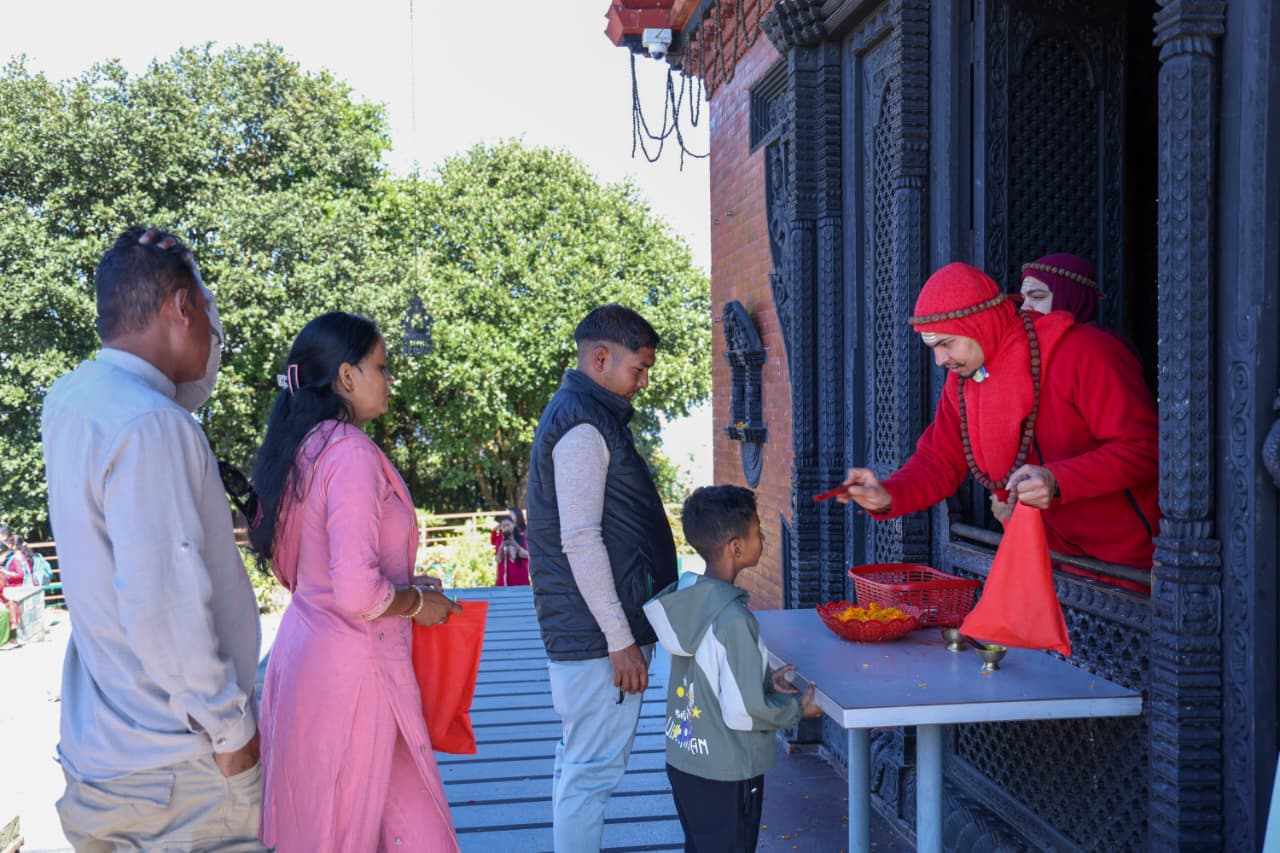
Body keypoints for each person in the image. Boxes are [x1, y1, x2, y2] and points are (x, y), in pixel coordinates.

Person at [41, 226, 265, 849]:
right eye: (209, 315)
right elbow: (164, 606)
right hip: (179, 777)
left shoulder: (72, 400)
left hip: (104, 761)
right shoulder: (152, 424)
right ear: (180, 307)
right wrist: (233, 731)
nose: (215, 338)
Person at [248, 311, 462, 852]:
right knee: (348, 833)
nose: (390, 380)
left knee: (352, 827)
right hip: (353, 671)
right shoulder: (348, 452)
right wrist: (417, 603)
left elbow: (310, 572)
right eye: (381, 367)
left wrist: (407, 583)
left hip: (308, 658)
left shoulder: (305, 449)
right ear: (347, 376)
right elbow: (357, 592)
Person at [838, 262, 1160, 589]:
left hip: (1129, 565)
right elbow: (939, 460)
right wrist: (889, 494)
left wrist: (1058, 480)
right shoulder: (963, 380)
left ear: (979, 325)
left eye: (946, 343)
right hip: (1047, 561)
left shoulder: (1083, 351)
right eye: (933, 347)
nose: (940, 360)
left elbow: (1146, 449)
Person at [526, 304, 679, 852]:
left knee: (579, 767)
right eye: (639, 369)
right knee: (590, 776)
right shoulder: (583, 424)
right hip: (596, 641)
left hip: (590, 634)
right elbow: (580, 539)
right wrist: (620, 639)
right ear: (600, 359)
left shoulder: (587, 415)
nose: (643, 382)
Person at [643, 486, 823, 852]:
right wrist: (795, 710)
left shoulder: (690, 603)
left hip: (685, 759)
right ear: (736, 548)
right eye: (758, 530)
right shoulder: (735, 619)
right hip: (726, 770)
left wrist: (761, 680)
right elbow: (744, 710)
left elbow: (711, 673)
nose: (764, 538)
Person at [1018, 253, 1101, 322]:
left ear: (1072, 298)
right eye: (1023, 299)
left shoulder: (1094, 338)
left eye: (1037, 296)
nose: (1023, 308)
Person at [491, 506, 531, 586]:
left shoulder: (522, 537)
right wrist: (502, 545)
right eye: (503, 526)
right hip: (504, 580)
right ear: (501, 528)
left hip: (520, 579)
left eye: (508, 525)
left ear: (513, 525)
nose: (506, 528)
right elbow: (498, 559)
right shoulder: (500, 538)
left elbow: (527, 555)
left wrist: (514, 544)